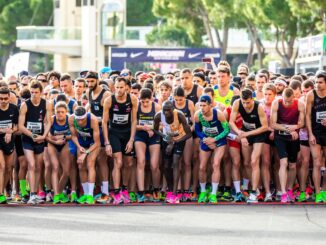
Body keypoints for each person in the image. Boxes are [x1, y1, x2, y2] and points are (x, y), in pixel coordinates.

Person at [102, 77, 138, 205]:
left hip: (127, 133)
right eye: (116, 87)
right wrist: (107, 143)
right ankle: (116, 192)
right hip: (114, 133)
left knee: (128, 163)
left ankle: (124, 188)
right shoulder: (109, 100)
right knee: (118, 162)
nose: (118, 90)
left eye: (121, 87)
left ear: (126, 87)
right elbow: (104, 122)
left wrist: (132, 140)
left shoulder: (132, 99)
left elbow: (134, 121)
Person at [229, 88, 268, 203]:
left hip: (259, 133)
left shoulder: (259, 107)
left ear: (253, 99)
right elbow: (231, 122)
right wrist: (240, 133)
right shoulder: (237, 103)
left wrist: (246, 134)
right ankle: (257, 189)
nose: (245, 105)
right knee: (246, 163)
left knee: (254, 161)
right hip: (245, 132)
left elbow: (265, 127)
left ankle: (254, 191)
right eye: (243, 102)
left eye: (248, 102)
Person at [18, 80, 51, 204]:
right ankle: (31, 194)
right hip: (28, 138)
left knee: (38, 166)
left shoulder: (47, 104)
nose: (34, 95)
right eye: (32, 92)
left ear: (41, 92)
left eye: (36, 92)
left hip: (40, 138)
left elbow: (48, 122)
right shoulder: (25, 105)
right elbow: (21, 126)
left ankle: (35, 192)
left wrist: (44, 135)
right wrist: (32, 135)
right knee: (31, 165)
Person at [153, 100, 192, 203]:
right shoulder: (158, 116)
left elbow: (189, 134)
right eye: (164, 110)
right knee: (166, 166)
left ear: (173, 109)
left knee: (175, 162)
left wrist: (174, 142)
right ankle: (170, 190)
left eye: (168, 110)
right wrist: (165, 136)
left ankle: (174, 194)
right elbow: (155, 130)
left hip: (180, 139)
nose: (166, 112)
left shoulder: (179, 115)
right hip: (167, 139)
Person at [271, 88, 305, 203]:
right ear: (282, 97)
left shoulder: (300, 104)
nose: (287, 103)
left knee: (292, 165)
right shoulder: (277, 103)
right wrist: (289, 129)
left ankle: (290, 189)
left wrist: (295, 128)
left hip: (293, 137)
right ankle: (284, 192)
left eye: (290, 101)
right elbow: (273, 124)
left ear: (294, 98)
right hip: (280, 136)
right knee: (283, 162)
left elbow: (302, 122)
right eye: (286, 101)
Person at [194, 95, 229, 203]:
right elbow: (197, 130)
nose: (202, 108)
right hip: (206, 140)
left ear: (210, 105)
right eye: (201, 105)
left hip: (219, 140)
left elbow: (226, 130)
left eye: (204, 106)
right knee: (202, 167)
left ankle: (213, 193)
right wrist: (205, 139)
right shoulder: (198, 115)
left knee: (216, 164)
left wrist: (214, 139)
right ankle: (203, 192)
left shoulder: (218, 114)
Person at [85, 71, 111, 204]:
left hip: (103, 129)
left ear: (98, 80)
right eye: (87, 82)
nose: (89, 84)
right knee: (93, 162)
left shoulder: (106, 95)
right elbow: (90, 111)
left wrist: (95, 120)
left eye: (92, 81)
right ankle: (97, 191)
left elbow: (109, 117)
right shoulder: (89, 92)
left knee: (101, 161)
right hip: (93, 129)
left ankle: (105, 192)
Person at [69, 106, 100, 204]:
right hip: (81, 142)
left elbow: (97, 143)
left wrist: (85, 153)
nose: (80, 122)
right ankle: (86, 194)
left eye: (82, 120)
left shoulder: (93, 120)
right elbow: (73, 136)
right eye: (78, 120)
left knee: (90, 164)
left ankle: (90, 195)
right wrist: (79, 146)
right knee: (80, 166)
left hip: (93, 143)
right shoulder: (71, 119)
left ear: (86, 117)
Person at [134, 88, 161, 202]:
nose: (144, 104)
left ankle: (155, 189)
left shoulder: (157, 107)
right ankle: (141, 192)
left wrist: (151, 128)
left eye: (147, 101)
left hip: (154, 136)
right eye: (142, 101)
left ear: (152, 99)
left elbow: (162, 126)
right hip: (140, 135)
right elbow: (133, 124)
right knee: (141, 162)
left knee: (154, 165)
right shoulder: (137, 107)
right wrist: (144, 127)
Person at [305, 71, 326, 203]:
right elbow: (307, 115)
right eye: (316, 82)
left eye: (320, 82)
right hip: (316, 132)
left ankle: (324, 190)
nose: (317, 85)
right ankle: (318, 192)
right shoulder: (311, 95)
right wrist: (310, 133)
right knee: (317, 163)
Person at [173, 86, 195, 201]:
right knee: (177, 163)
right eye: (176, 100)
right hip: (176, 136)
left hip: (187, 136)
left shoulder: (190, 104)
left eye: (180, 100)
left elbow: (194, 123)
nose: (178, 102)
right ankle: (177, 189)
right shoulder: (171, 104)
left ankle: (186, 190)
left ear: (184, 98)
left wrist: (187, 132)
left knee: (187, 163)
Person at [47, 102, 72, 204]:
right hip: (52, 144)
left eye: (62, 112)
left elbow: (73, 135)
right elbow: (47, 136)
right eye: (58, 112)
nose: (60, 114)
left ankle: (59, 192)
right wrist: (54, 141)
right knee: (55, 167)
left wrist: (64, 137)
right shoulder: (52, 119)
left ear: (66, 112)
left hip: (64, 143)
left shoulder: (70, 119)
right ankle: (56, 195)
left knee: (66, 171)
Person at [0, 87, 19, 204]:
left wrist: (10, 131)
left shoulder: (13, 108)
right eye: (0, 98)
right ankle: (0, 194)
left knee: (8, 168)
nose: (2, 100)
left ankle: (2, 189)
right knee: (1, 166)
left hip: (9, 140)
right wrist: (4, 131)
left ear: (9, 98)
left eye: (5, 98)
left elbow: (16, 126)